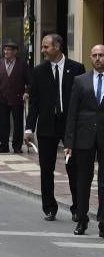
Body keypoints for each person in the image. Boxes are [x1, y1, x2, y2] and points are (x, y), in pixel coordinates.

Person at [25, 34, 86, 222]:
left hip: (69, 126)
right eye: (42, 47)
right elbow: (34, 102)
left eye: (45, 47)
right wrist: (29, 128)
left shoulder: (76, 68)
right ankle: (49, 208)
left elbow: (83, 100)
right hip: (47, 126)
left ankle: (78, 208)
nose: (42, 50)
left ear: (57, 47)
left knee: (73, 167)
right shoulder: (38, 71)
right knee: (46, 169)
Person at [64, 44, 104, 237]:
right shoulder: (80, 81)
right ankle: (81, 220)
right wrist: (69, 143)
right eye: (95, 55)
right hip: (83, 137)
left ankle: (103, 222)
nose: (98, 58)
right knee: (83, 181)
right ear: (90, 58)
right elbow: (72, 113)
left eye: (101, 55)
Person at [0, 41, 30, 153]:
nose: (6, 52)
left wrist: (27, 92)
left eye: (9, 50)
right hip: (2, 97)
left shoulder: (22, 64)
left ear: (15, 52)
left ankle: (17, 146)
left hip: (17, 97)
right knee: (3, 123)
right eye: (5, 49)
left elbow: (30, 81)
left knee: (18, 124)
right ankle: (4, 145)